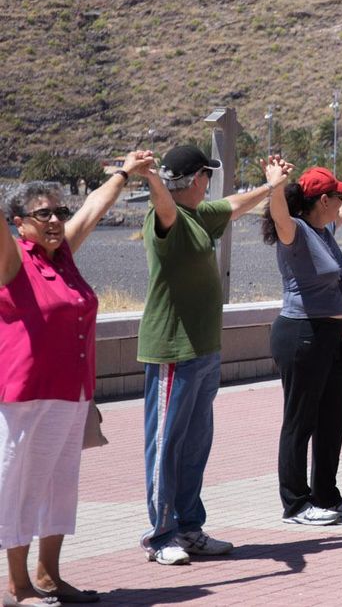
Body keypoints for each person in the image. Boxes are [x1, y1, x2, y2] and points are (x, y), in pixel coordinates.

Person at [1, 152, 154, 605]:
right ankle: (17, 584)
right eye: (42, 213)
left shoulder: (63, 255)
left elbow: (94, 208)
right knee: (20, 485)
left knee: (59, 485)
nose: (54, 219)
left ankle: (49, 576)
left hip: (72, 394)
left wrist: (125, 172)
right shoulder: (13, 263)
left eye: (58, 212)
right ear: (18, 222)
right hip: (26, 396)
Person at [139, 145, 277, 565]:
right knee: (166, 445)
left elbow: (235, 205)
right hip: (172, 350)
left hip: (204, 350)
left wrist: (272, 187)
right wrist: (152, 179)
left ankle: (189, 527)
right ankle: (161, 535)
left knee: (195, 444)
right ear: (195, 178)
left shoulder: (200, 216)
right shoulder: (168, 218)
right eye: (206, 176)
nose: (210, 184)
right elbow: (164, 205)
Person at [263, 159, 342, 525]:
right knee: (299, 420)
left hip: (328, 337)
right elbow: (279, 214)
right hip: (300, 334)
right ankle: (295, 504)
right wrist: (274, 186)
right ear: (322, 201)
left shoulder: (324, 229)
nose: (340, 201)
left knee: (333, 416)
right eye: (336, 196)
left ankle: (325, 494)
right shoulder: (294, 230)